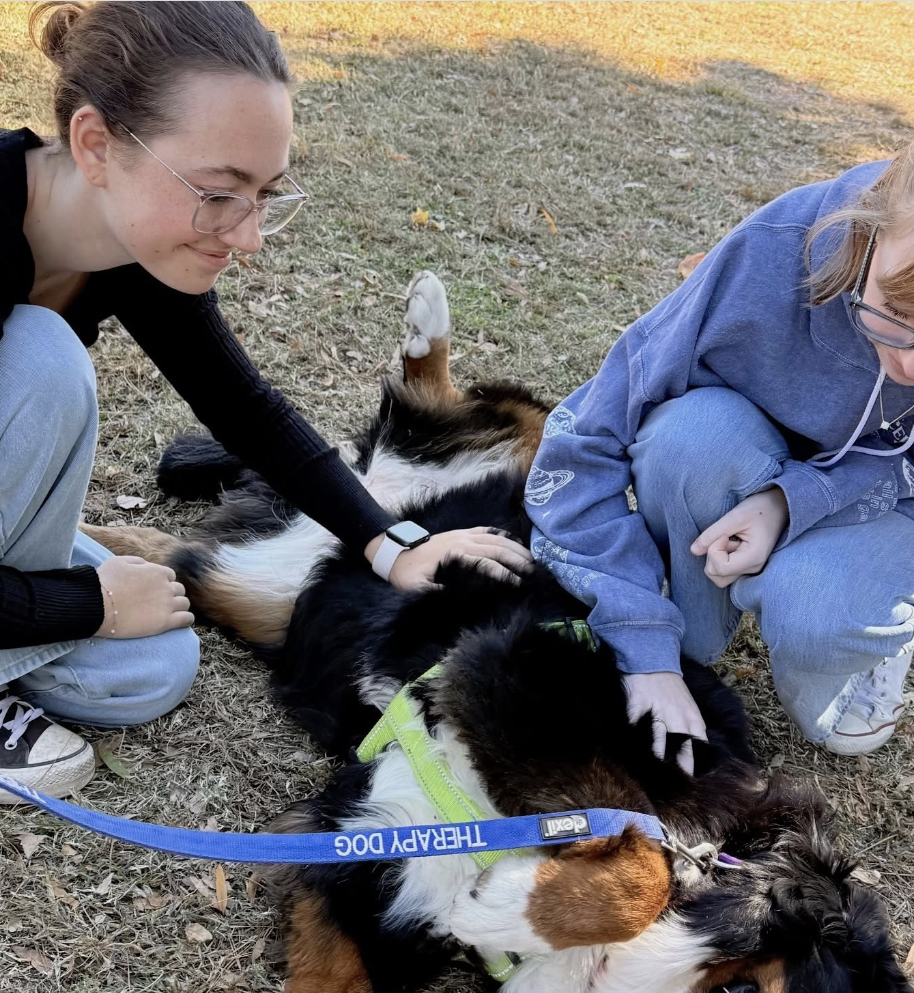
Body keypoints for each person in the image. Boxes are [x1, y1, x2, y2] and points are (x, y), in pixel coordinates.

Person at [0, 1, 531, 797]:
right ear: (95, 143)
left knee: (155, 664)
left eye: (266, 194)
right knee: (44, 360)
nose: (245, 236)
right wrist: (88, 602)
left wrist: (394, 545)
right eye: (219, 192)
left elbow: (246, 411)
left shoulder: (121, 241)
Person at [526, 95, 914, 769]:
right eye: (896, 309)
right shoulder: (778, 249)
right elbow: (586, 441)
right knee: (692, 437)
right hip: (740, 451)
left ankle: (850, 639)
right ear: (871, 226)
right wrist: (642, 643)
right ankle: (691, 631)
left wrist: (796, 502)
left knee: (815, 608)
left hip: (907, 494)